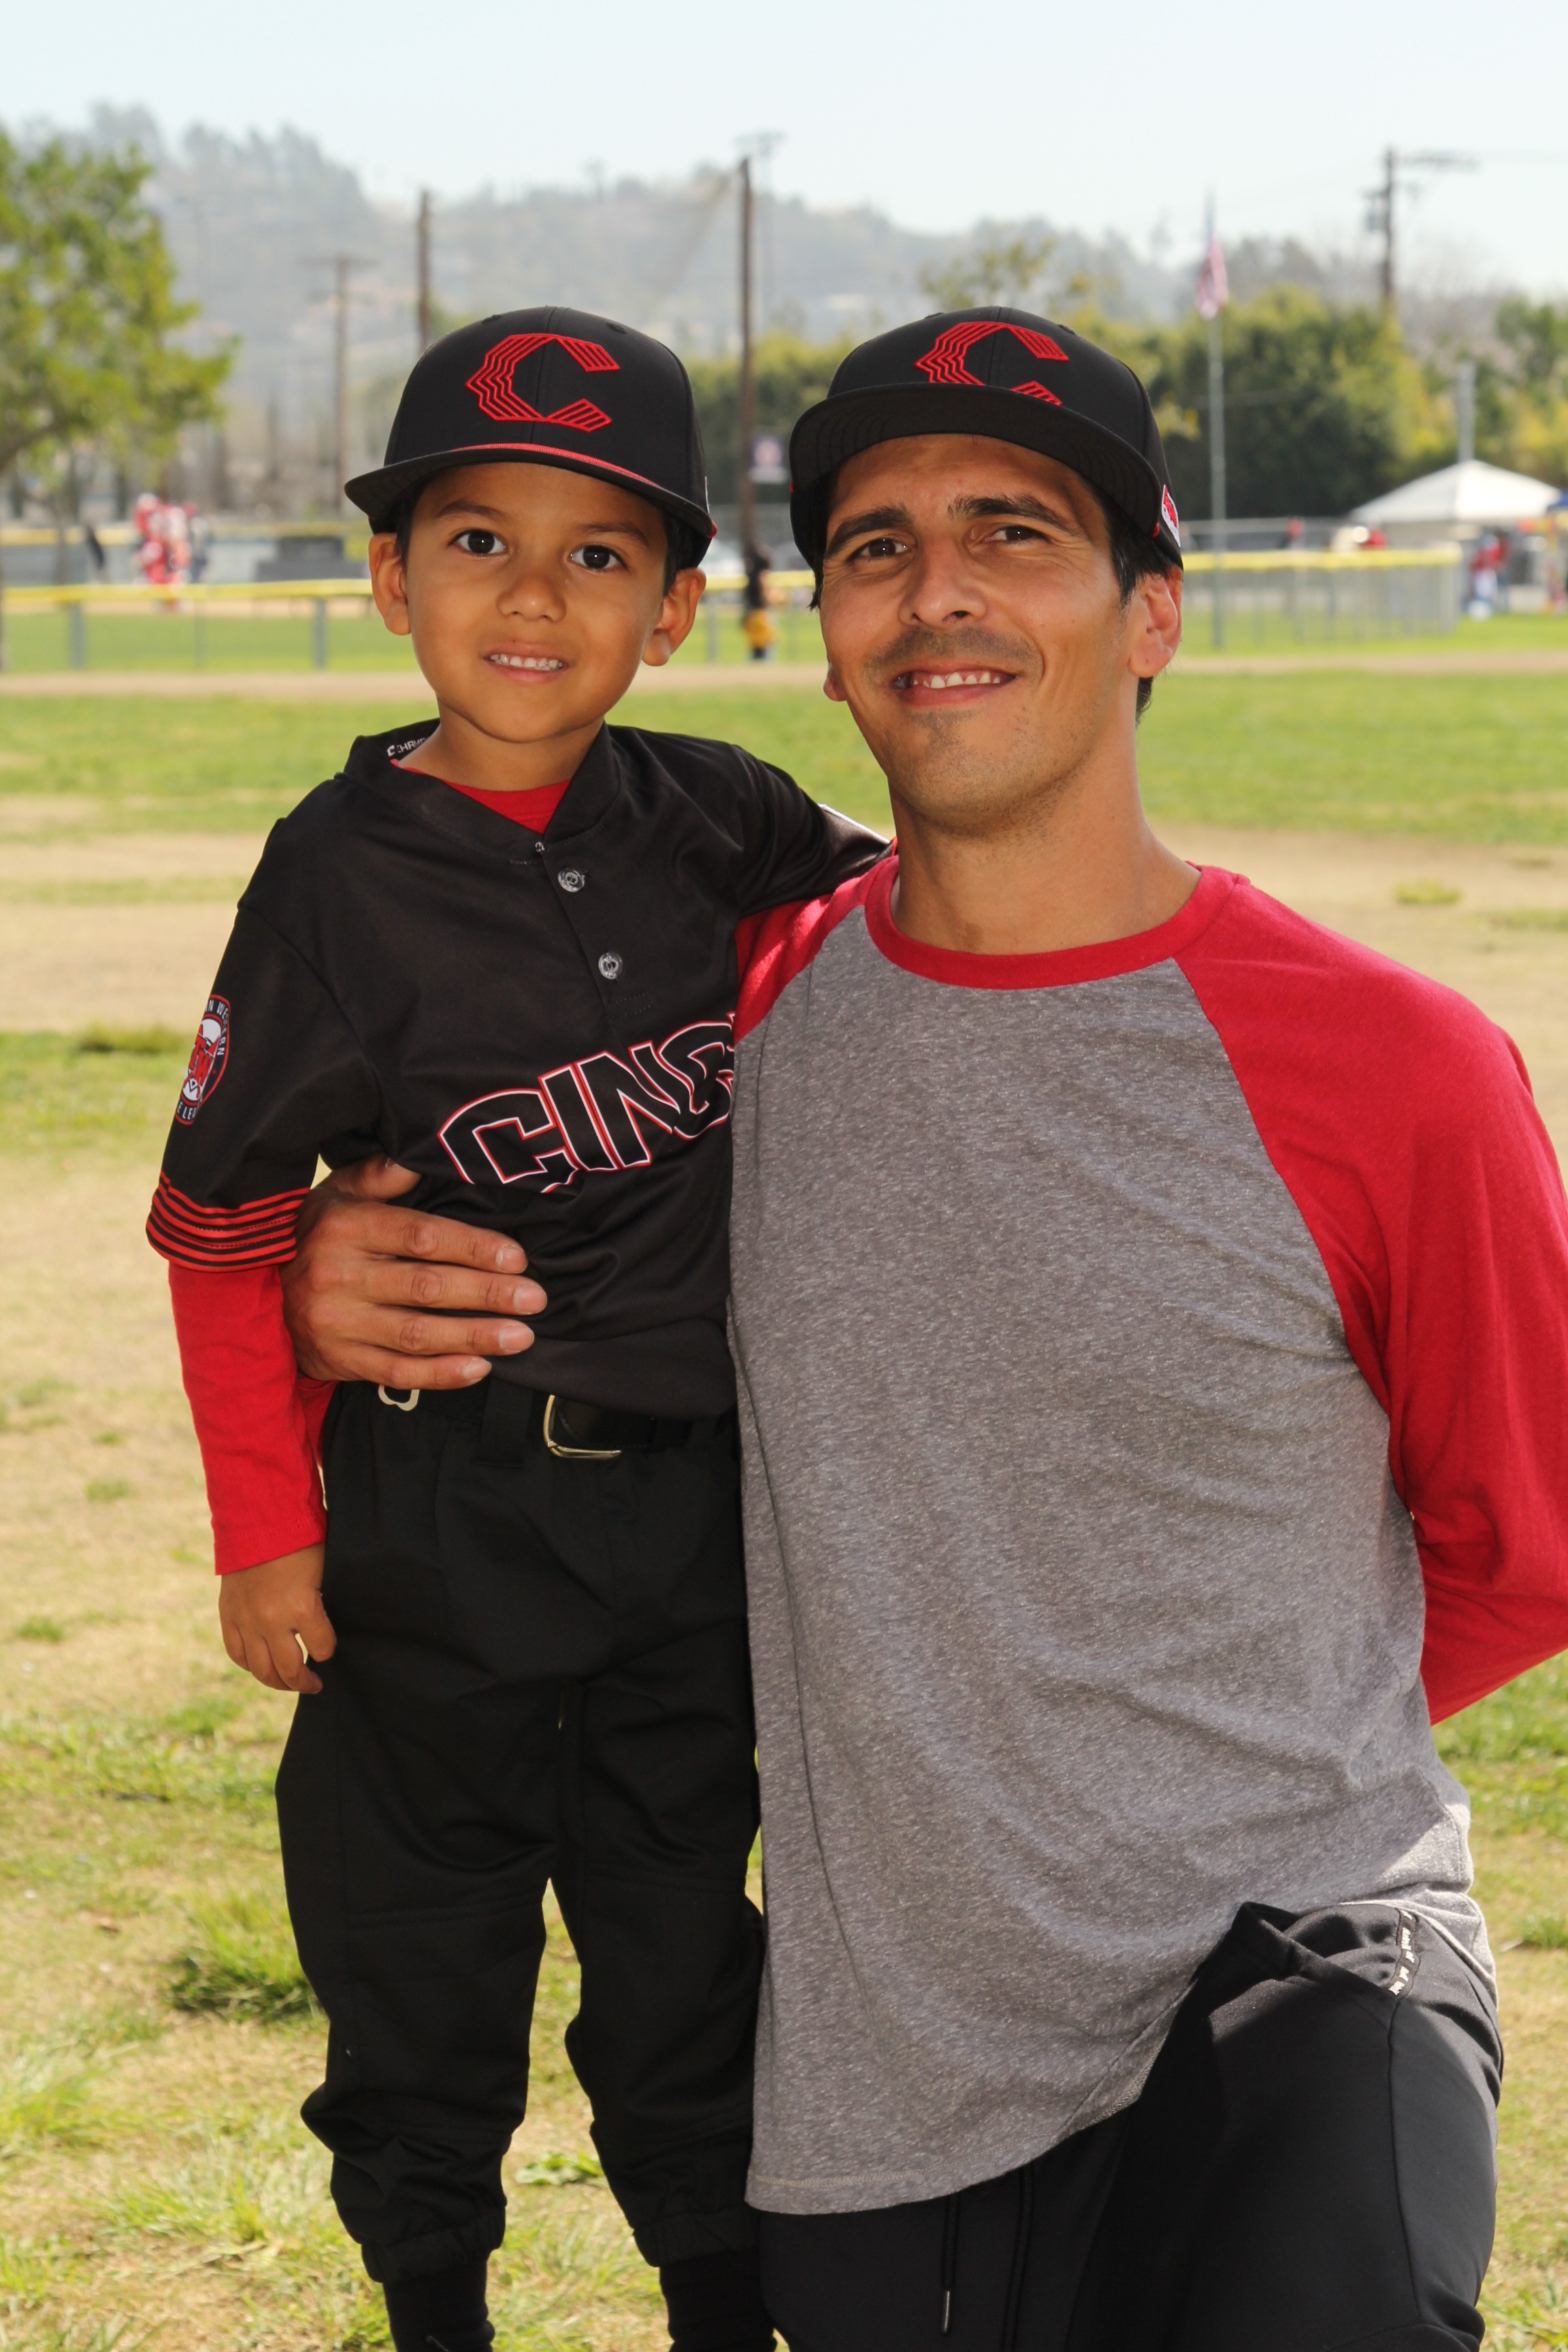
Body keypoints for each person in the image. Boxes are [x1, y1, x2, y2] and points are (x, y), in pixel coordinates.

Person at [281, 307, 1568, 2349]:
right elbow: (485, 1197)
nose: (937, 589)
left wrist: (1208, 1757)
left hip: (1290, 1969)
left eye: (1014, 531)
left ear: (1155, 615)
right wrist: (329, 1277)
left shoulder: (1396, 1067)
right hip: (885, 2091)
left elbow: (1528, 1547)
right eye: (875, 547)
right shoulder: (732, 1021)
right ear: (825, 636)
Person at [146, 306, 883, 2352]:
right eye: (478, 541)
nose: (536, 597)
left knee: (686, 1956)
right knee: (417, 1955)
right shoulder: (332, 879)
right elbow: (220, 1227)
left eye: (600, 553)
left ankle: (723, 2311)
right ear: (391, 579)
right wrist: (264, 1531)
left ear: (676, 608)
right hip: (441, 1511)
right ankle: (435, 2313)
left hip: (692, 1519)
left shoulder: (718, 812)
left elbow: (915, 928)